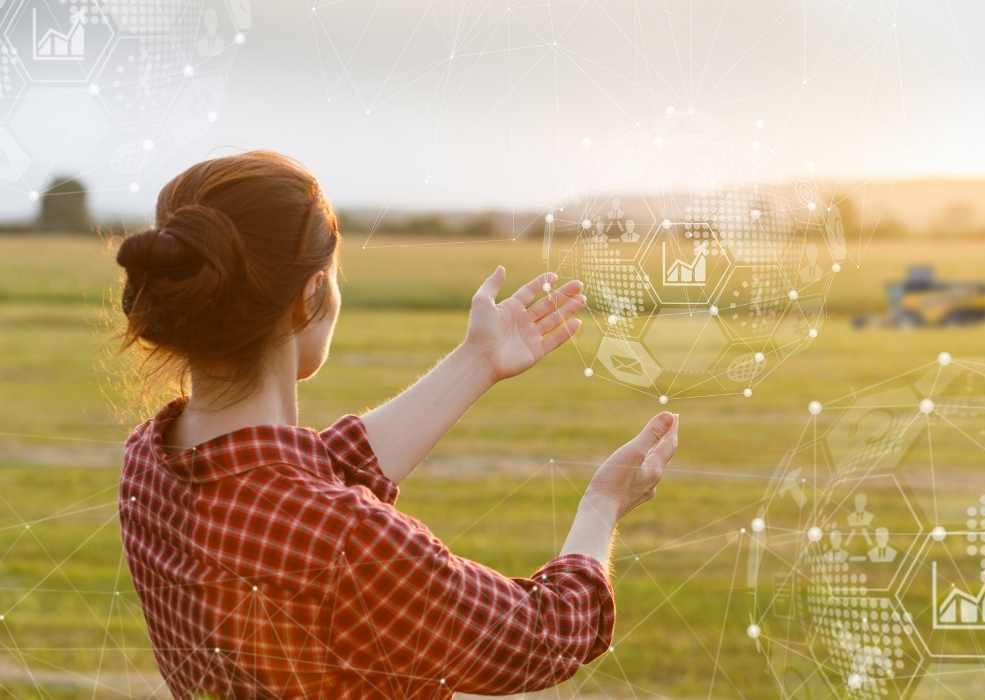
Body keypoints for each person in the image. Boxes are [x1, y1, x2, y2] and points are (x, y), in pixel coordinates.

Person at [114, 151, 679, 698]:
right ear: (309, 298)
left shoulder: (148, 462)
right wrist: (603, 504)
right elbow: (543, 636)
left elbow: (310, 476)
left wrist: (477, 361)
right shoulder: (340, 539)